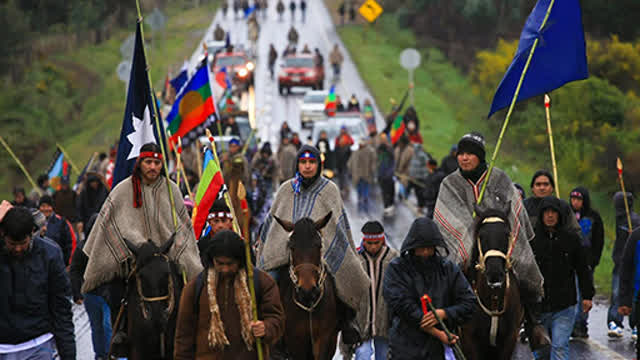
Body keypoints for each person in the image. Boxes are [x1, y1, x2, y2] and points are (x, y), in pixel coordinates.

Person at [433, 132, 550, 358]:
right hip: (467, 245)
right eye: (461, 154)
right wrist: (471, 230)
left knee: (524, 266)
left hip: (499, 242)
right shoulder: (450, 184)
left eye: (470, 154)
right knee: (445, 276)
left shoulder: (500, 179)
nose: (464, 158)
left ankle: (534, 322)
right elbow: (447, 219)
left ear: (480, 156)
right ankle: (442, 326)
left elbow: (515, 214)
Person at [82, 143, 203, 351]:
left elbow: (182, 228)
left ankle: (190, 335)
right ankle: (120, 332)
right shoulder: (122, 190)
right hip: (133, 263)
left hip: (165, 260)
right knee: (116, 291)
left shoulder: (172, 190)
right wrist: (131, 251)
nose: (153, 167)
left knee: (185, 293)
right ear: (140, 163)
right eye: (148, 162)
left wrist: (176, 252)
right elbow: (110, 226)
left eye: (157, 162)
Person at [257, 145, 369, 345]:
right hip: (290, 251)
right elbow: (272, 225)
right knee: (267, 282)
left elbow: (338, 227)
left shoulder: (329, 190)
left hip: (320, 251)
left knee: (342, 277)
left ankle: (347, 322)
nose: (307, 167)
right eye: (303, 162)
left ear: (319, 165)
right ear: (297, 164)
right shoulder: (286, 189)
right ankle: (264, 328)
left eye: (312, 162)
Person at [174, 230, 285, 359]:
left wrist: (266, 327)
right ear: (212, 259)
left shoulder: (261, 282)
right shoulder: (195, 287)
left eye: (230, 264)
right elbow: (184, 336)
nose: (225, 269)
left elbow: (277, 318)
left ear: (240, 260)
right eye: (220, 263)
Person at [383, 217, 476, 359]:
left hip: (438, 351)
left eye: (429, 247)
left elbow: (469, 302)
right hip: (405, 348)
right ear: (412, 247)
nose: (425, 252)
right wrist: (438, 333)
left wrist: (444, 313)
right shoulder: (397, 268)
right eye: (421, 248)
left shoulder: (448, 269)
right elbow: (403, 306)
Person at [0, 203, 76, 360]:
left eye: (23, 243)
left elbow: (61, 307)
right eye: (12, 244)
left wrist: (68, 353)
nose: (18, 249)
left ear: (32, 233)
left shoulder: (50, 255)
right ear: (3, 235)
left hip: (39, 345)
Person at [531, 196, 594, 360]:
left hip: (564, 304)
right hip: (539, 307)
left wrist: (587, 295)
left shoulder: (571, 239)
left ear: (560, 215)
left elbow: (582, 269)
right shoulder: (532, 240)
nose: (550, 216)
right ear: (541, 215)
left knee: (559, 346)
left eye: (554, 212)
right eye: (546, 212)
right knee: (541, 351)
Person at [341, 221, 399, 359]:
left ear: (382, 240)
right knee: (362, 354)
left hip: (385, 322)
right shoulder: (355, 259)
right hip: (360, 323)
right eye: (369, 243)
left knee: (384, 356)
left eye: (376, 243)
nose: (373, 247)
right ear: (364, 240)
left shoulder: (393, 259)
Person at [70, 213, 112, 360]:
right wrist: (77, 292)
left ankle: (110, 354)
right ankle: (100, 355)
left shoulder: (112, 246)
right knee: (97, 327)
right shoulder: (83, 248)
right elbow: (75, 270)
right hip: (91, 293)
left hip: (109, 294)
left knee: (108, 326)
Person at [569, 187, 604, 338]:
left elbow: (598, 240)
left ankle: (581, 324)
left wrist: (594, 260)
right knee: (573, 293)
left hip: (587, 261)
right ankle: (572, 324)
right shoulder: (566, 215)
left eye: (579, 199)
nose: (575, 202)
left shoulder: (593, 217)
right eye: (573, 199)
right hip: (570, 260)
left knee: (584, 293)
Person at [610, 191, 640, 338]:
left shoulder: (634, 220)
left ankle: (634, 324)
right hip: (619, 260)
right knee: (617, 293)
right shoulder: (618, 219)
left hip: (633, 263)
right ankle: (615, 321)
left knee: (635, 294)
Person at [524, 170, 581, 236]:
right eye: (538, 184)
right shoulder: (525, 206)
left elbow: (575, 231)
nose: (542, 188)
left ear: (552, 188)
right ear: (532, 188)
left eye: (546, 184)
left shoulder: (563, 206)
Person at [197, 199, 235, 266]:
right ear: (210, 222)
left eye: (224, 221)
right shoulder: (201, 246)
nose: (220, 225)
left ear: (230, 222)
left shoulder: (240, 244)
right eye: (216, 221)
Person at [38, 195, 74, 265]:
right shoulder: (34, 222)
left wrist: (66, 263)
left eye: (48, 206)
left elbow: (69, 244)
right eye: (43, 206)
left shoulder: (61, 222)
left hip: (57, 263)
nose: (45, 209)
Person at [348, 138, 377, 213]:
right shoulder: (356, 152)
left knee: (364, 192)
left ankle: (363, 207)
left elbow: (373, 163)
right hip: (360, 176)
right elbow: (350, 163)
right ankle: (362, 206)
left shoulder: (369, 151)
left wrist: (373, 172)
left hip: (365, 176)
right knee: (361, 192)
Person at [76, 172, 109, 236]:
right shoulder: (85, 192)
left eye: (96, 182)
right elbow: (80, 206)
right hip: (88, 219)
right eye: (92, 182)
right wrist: (80, 220)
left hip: (101, 219)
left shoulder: (103, 191)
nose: (94, 184)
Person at [407, 140, 430, 214]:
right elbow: (412, 166)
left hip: (421, 178)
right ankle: (420, 205)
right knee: (416, 192)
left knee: (420, 193)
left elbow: (427, 166)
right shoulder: (414, 156)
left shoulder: (422, 156)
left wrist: (425, 175)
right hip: (414, 178)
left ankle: (421, 206)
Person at [377, 133, 395, 216]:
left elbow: (393, 162)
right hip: (381, 175)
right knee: (384, 192)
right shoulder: (379, 149)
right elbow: (376, 161)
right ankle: (386, 206)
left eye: (384, 139)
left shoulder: (390, 149)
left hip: (389, 175)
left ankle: (389, 205)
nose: (382, 141)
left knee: (389, 191)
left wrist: (390, 172)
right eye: (381, 139)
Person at [335, 126, 354, 196]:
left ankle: (346, 188)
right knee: (341, 176)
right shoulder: (338, 139)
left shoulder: (348, 139)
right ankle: (342, 188)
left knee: (345, 175)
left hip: (346, 162)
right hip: (340, 162)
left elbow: (352, 142)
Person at [394, 135, 414, 200]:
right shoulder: (397, 149)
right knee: (398, 184)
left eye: (400, 142)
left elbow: (408, 161)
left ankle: (403, 195)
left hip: (406, 171)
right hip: (397, 170)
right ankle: (401, 195)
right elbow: (395, 159)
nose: (399, 143)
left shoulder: (410, 150)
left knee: (404, 184)